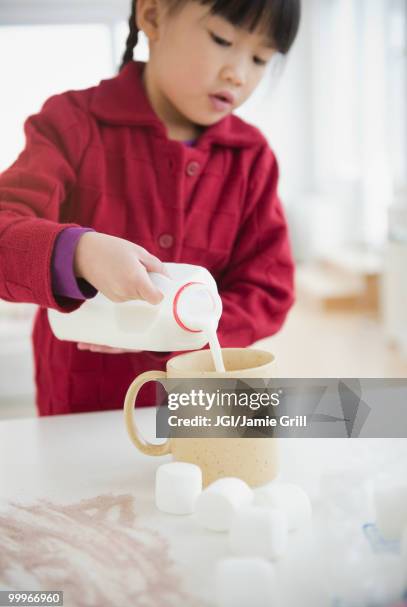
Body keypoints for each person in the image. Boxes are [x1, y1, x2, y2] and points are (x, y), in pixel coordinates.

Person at [0, 0, 300, 416]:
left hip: (198, 410)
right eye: (222, 39)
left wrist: (180, 327)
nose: (239, 74)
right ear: (153, 15)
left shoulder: (251, 157)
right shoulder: (71, 123)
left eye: (260, 58)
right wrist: (80, 253)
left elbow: (269, 290)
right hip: (82, 414)